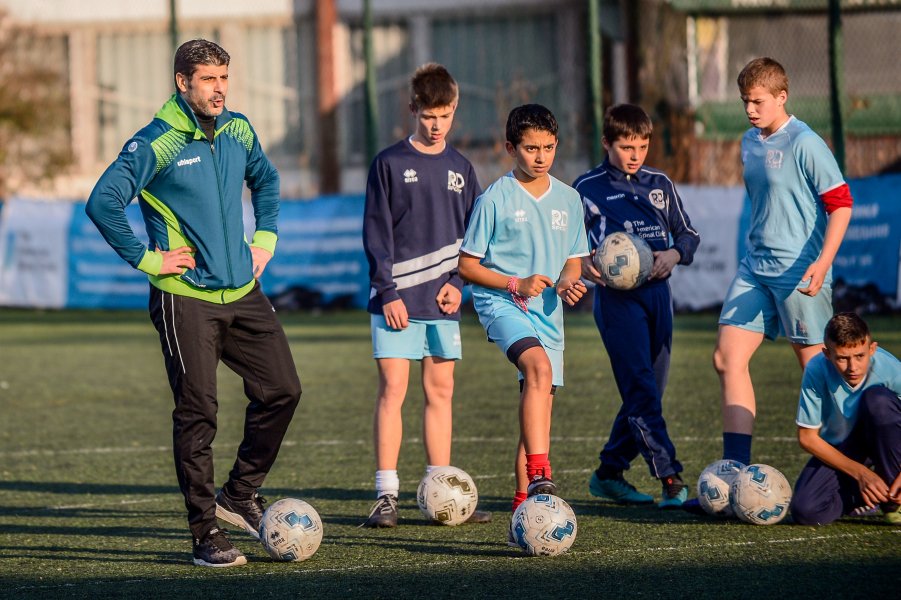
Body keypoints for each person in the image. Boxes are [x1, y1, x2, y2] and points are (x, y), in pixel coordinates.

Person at [85, 39, 302, 567]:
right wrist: (149, 260)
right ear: (182, 82)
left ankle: (239, 493)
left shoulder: (238, 128)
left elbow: (267, 181)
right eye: (208, 79)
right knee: (199, 411)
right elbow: (102, 202)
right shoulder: (155, 142)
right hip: (185, 300)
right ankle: (205, 532)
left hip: (243, 292)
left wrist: (266, 239)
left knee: (282, 390)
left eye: (224, 78)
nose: (220, 89)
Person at [710, 57, 853, 474]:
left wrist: (823, 263)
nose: (750, 110)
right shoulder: (748, 142)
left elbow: (841, 205)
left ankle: (857, 469)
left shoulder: (805, 143)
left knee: (817, 371)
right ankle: (735, 472)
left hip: (799, 273)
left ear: (782, 97)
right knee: (726, 358)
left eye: (757, 101)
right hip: (755, 268)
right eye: (744, 102)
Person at [361, 63, 489, 528]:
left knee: (441, 391)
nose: (436, 125)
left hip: (442, 304)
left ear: (455, 110)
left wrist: (460, 285)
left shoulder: (461, 169)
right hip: (395, 303)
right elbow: (375, 234)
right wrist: (387, 291)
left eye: (445, 115)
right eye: (428, 115)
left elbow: (475, 239)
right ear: (413, 109)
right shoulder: (389, 163)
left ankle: (442, 491)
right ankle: (386, 496)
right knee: (393, 389)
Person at [458, 104, 589, 534]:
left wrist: (570, 282)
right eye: (531, 148)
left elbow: (574, 262)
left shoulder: (569, 200)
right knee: (538, 368)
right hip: (502, 304)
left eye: (548, 148)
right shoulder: (495, 198)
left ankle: (523, 510)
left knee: (537, 411)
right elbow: (468, 266)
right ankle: (540, 477)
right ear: (510, 147)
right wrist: (515, 284)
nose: (540, 157)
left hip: (548, 315)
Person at [573, 104, 700, 508]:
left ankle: (609, 473)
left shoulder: (659, 183)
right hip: (616, 302)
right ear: (607, 143)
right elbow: (571, 248)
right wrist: (586, 267)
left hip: (658, 296)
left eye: (642, 146)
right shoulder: (586, 188)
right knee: (642, 389)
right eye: (627, 146)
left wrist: (674, 256)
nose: (636, 155)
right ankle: (671, 477)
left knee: (647, 393)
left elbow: (688, 234)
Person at [790, 313, 900, 526]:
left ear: (872, 349)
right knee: (806, 510)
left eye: (860, 356)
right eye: (842, 358)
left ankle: (893, 502)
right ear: (826, 354)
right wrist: (861, 474)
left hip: (889, 441)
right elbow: (807, 438)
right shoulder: (816, 369)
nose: (853, 367)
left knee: (877, 401)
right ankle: (870, 496)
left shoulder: (891, 369)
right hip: (847, 446)